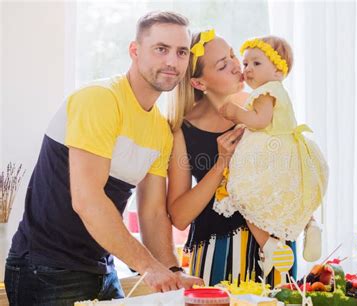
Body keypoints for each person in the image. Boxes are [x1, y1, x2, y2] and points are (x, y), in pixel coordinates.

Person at [4, 11, 203, 306]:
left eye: (181, 52)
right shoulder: (99, 99)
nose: (172, 62)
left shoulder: (160, 129)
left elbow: (152, 214)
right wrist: (149, 267)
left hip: (101, 269)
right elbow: (87, 200)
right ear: (135, 51)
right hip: (47, 269)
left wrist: (172, 271)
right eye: (161, 49)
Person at [166, 29, 297, 287]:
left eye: (233, 56)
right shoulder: (183, 130)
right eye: (224, 65)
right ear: (199, 83)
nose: (238, 66)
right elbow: (179, 216)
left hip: (276, 244)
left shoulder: (261, 106)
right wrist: (221, 164)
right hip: (219, 247)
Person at [213, 35, 329, 273]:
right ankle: (310, 223)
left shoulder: (266, 92)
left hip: (269, 155)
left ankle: (270, 245)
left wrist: (236, 113)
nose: (247, 70)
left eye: (256, 64)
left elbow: (260, 120)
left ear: (278, 71)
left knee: (243, 196)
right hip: (288, 154)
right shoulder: (277, 90)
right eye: (246, 64)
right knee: (288, 196)